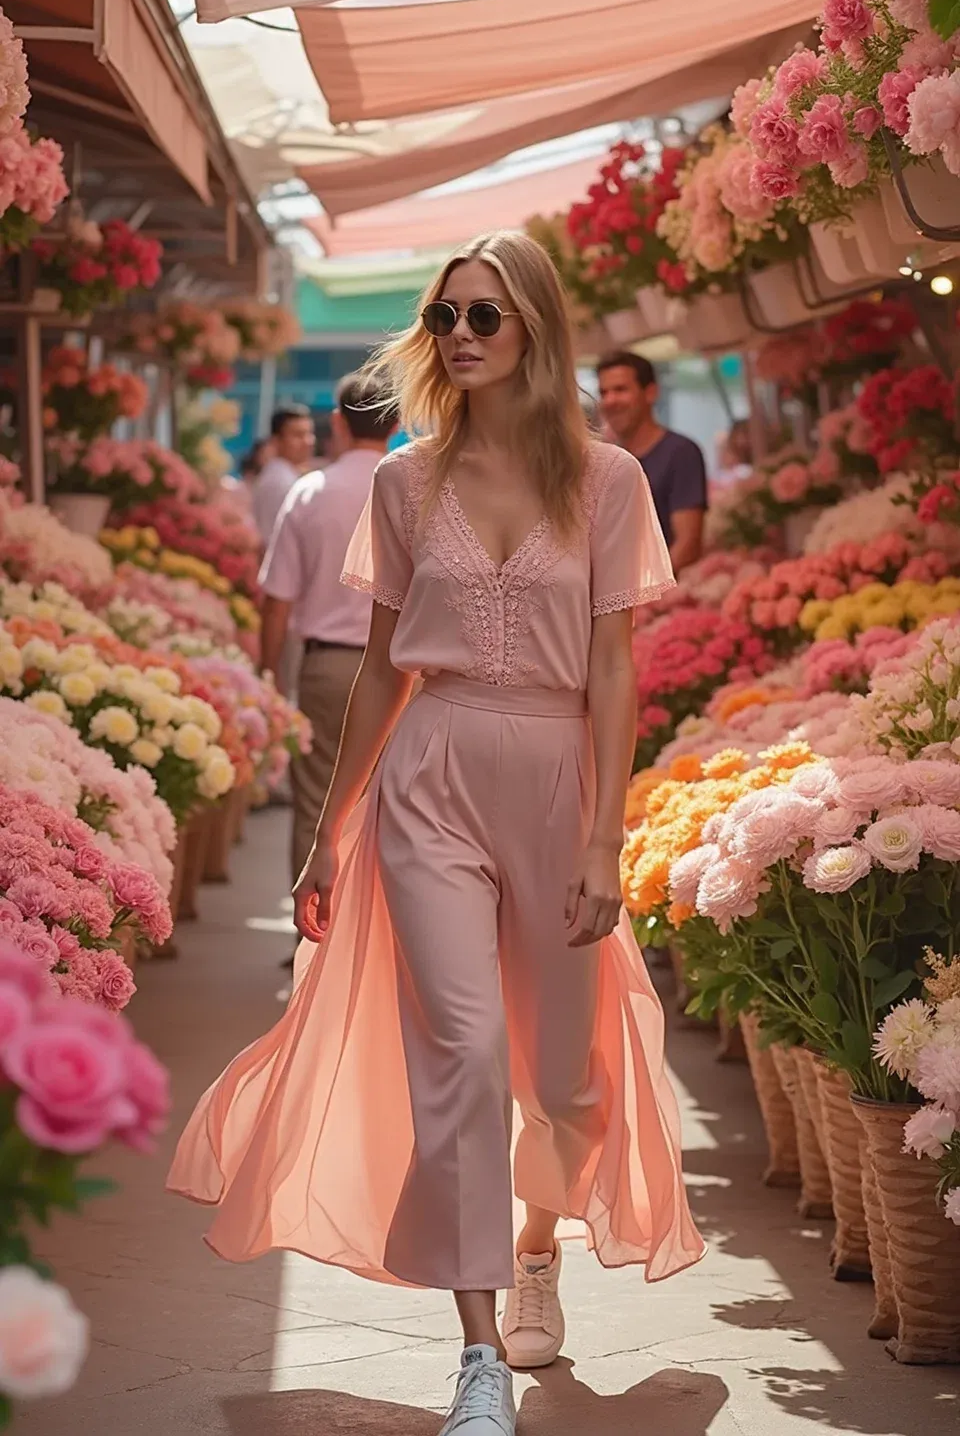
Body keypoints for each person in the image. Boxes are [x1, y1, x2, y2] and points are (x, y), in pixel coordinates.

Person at [168, 231, 704, 1436]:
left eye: (485, 318)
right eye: (446, 317)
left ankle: (534, 1246)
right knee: (458, 1057)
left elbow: (616, 671)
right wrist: (328, 832)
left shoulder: (609, 478)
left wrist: (610, 840)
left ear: (535, 331)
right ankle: (475, 1361)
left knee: (565, 1087)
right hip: (431, 780)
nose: (460, 337)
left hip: (562, 781)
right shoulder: (401, 484)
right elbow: (375, 675)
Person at [259, 372, 398, 894]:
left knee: (318, 803)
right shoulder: (418, 486)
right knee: (396, 804)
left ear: (338, 421)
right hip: (406, 670)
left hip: (326, 668)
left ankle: (313, 942)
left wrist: (270, 674)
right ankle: (383, 947)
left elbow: (277, 598)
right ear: (398, 423)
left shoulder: (309, 492)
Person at [596, 351, 707, 572]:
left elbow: (687, 545)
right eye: (603, 392)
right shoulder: (607, 460)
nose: (610, 401)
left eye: (620, 390)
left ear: (651, 393)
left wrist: (642, 598)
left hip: (663, 598)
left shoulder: (680, 452)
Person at [251, 405, 316, 549]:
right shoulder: (280, 482)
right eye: (298, 435)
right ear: (276, 441)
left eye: (309, 434)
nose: (307, 442)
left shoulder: (286, 476)